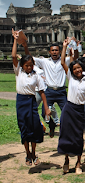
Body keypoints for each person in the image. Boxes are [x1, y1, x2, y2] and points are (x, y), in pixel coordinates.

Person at [58, 38, 85, 175]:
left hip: (80, 110)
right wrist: (64, 47)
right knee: (66, 135)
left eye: (79, 68)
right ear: (72, 71)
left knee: (78, 137)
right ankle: (67, 160)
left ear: (82, 68)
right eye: (74, 69)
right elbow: (63, 62)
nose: (77, 70)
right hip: (69, 109)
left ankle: (78, 163)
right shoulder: (70, 77)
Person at [11, 29, 50, 166]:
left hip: (31, 101)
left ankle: (34, 152)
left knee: (34, 127)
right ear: (22, 66)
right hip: (21, 101)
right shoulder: (19, 72)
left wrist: (46, 108)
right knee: (24, 127)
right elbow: (14, 56)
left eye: (31, 65)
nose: (29, 67)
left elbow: (42, 92)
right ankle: (27, 154)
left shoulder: (36, 75)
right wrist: (16, 40)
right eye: (26, 66)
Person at [29, 41, 71, 137]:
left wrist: (71, 47)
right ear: (49, 52)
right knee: (44, 112)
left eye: (56, 50)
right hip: (49, 91)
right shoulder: (45, 61)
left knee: (67, 112)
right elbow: (30, 58)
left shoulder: (64, 61)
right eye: (52, 50)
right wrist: (25, 45)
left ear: (60, 51)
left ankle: (65, 131)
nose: (54, 52)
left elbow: (75, 57)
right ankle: (51, 125)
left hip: (61, 91)